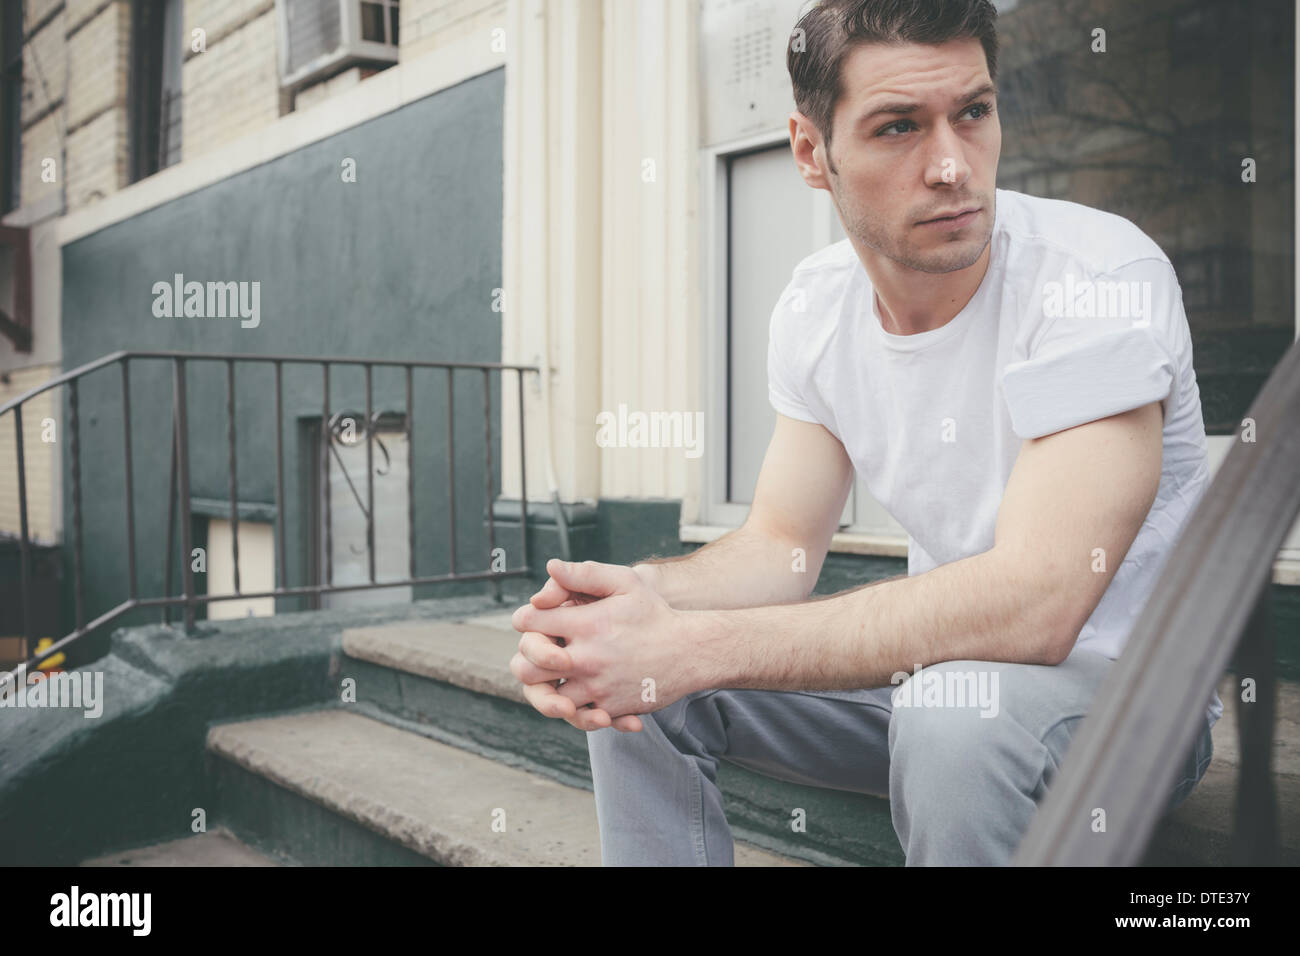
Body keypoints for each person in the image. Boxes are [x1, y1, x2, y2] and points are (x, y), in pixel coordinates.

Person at [509, 0, 1219, 866]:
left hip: (1130, 707)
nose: (953, 166)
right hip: (933, 686)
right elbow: (778, 547)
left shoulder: (1097, 282)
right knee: (641, 679)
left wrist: (694, 642)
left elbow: (1042, 603)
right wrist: (624, 601)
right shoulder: (816, 307)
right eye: (898, 128)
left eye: (973, 112)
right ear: (813, 152)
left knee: (952, 720)